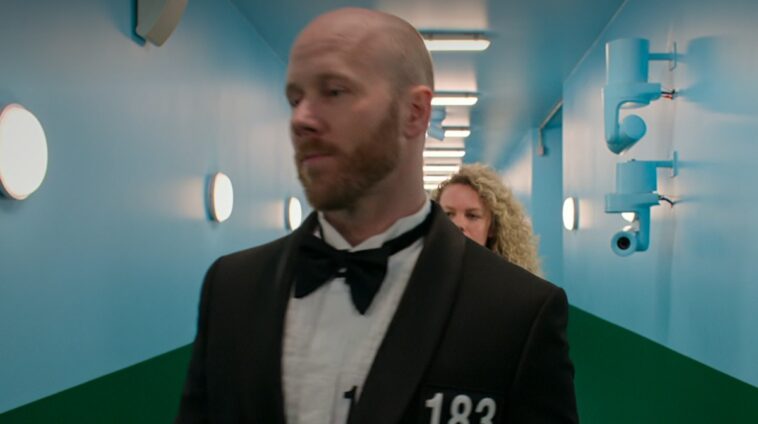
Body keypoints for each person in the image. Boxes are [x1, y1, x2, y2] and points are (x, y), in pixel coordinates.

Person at [176, 7, 577, 424]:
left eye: (335, 91)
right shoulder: (231, 287)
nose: (301, 119)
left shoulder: (519, 312)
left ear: (415, 112)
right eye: (295, 99)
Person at [433, 163, 542, 275]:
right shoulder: (423, 276)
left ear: (492, 228)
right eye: (448, 214)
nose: (458, 224)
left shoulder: (514, 282)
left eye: (472, 216)